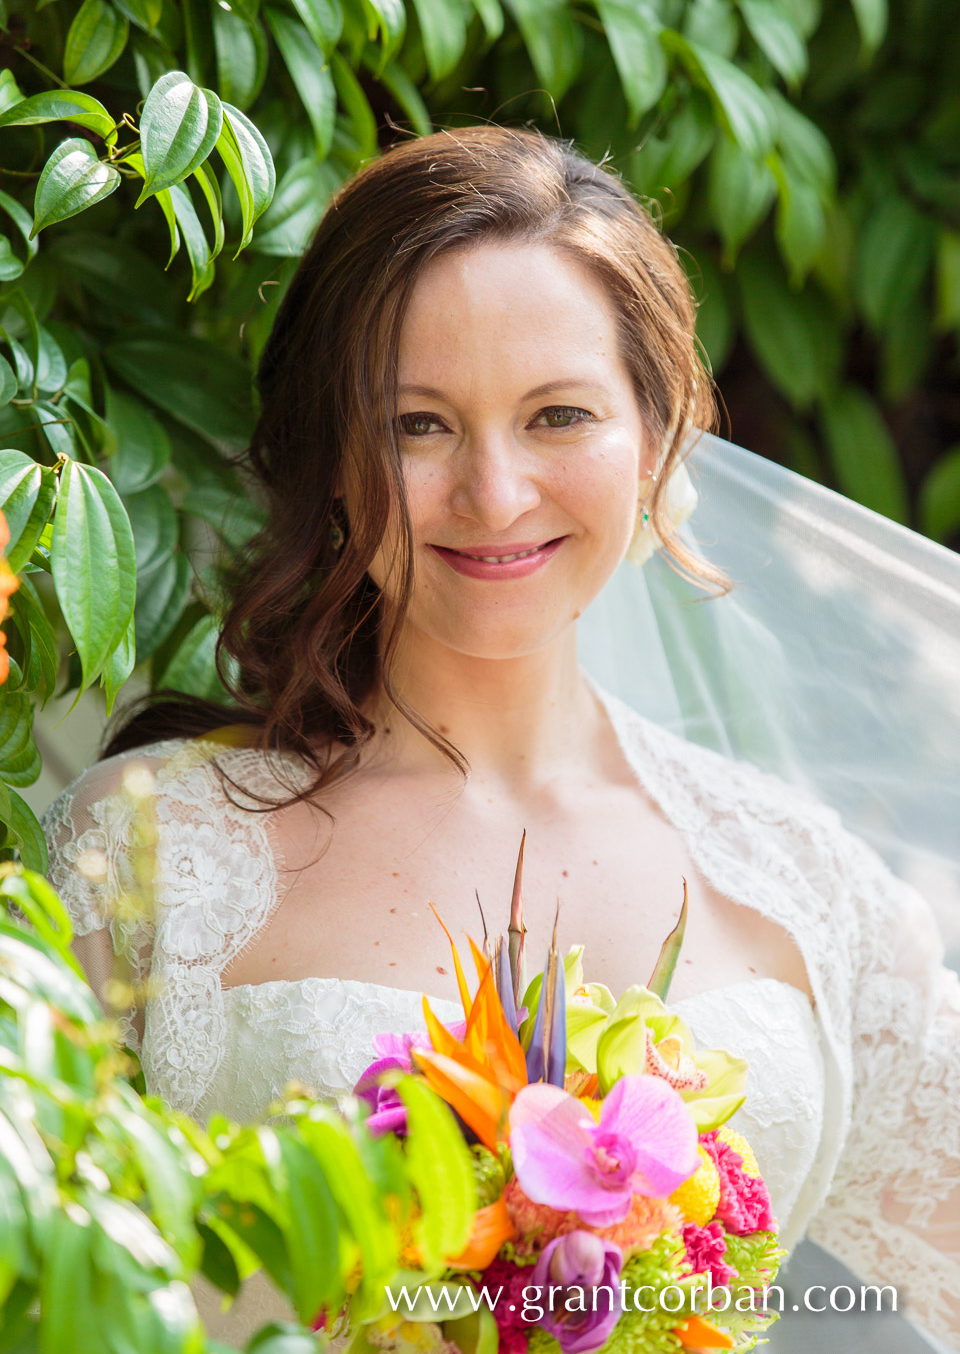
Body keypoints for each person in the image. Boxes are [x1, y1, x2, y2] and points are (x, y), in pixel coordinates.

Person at [39, 126, 960, 1350]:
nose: (494, 493)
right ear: (328, 454)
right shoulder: (154, 847)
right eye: (419, 424)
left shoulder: (802, 883)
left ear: (659, 432)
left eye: (558, 415)